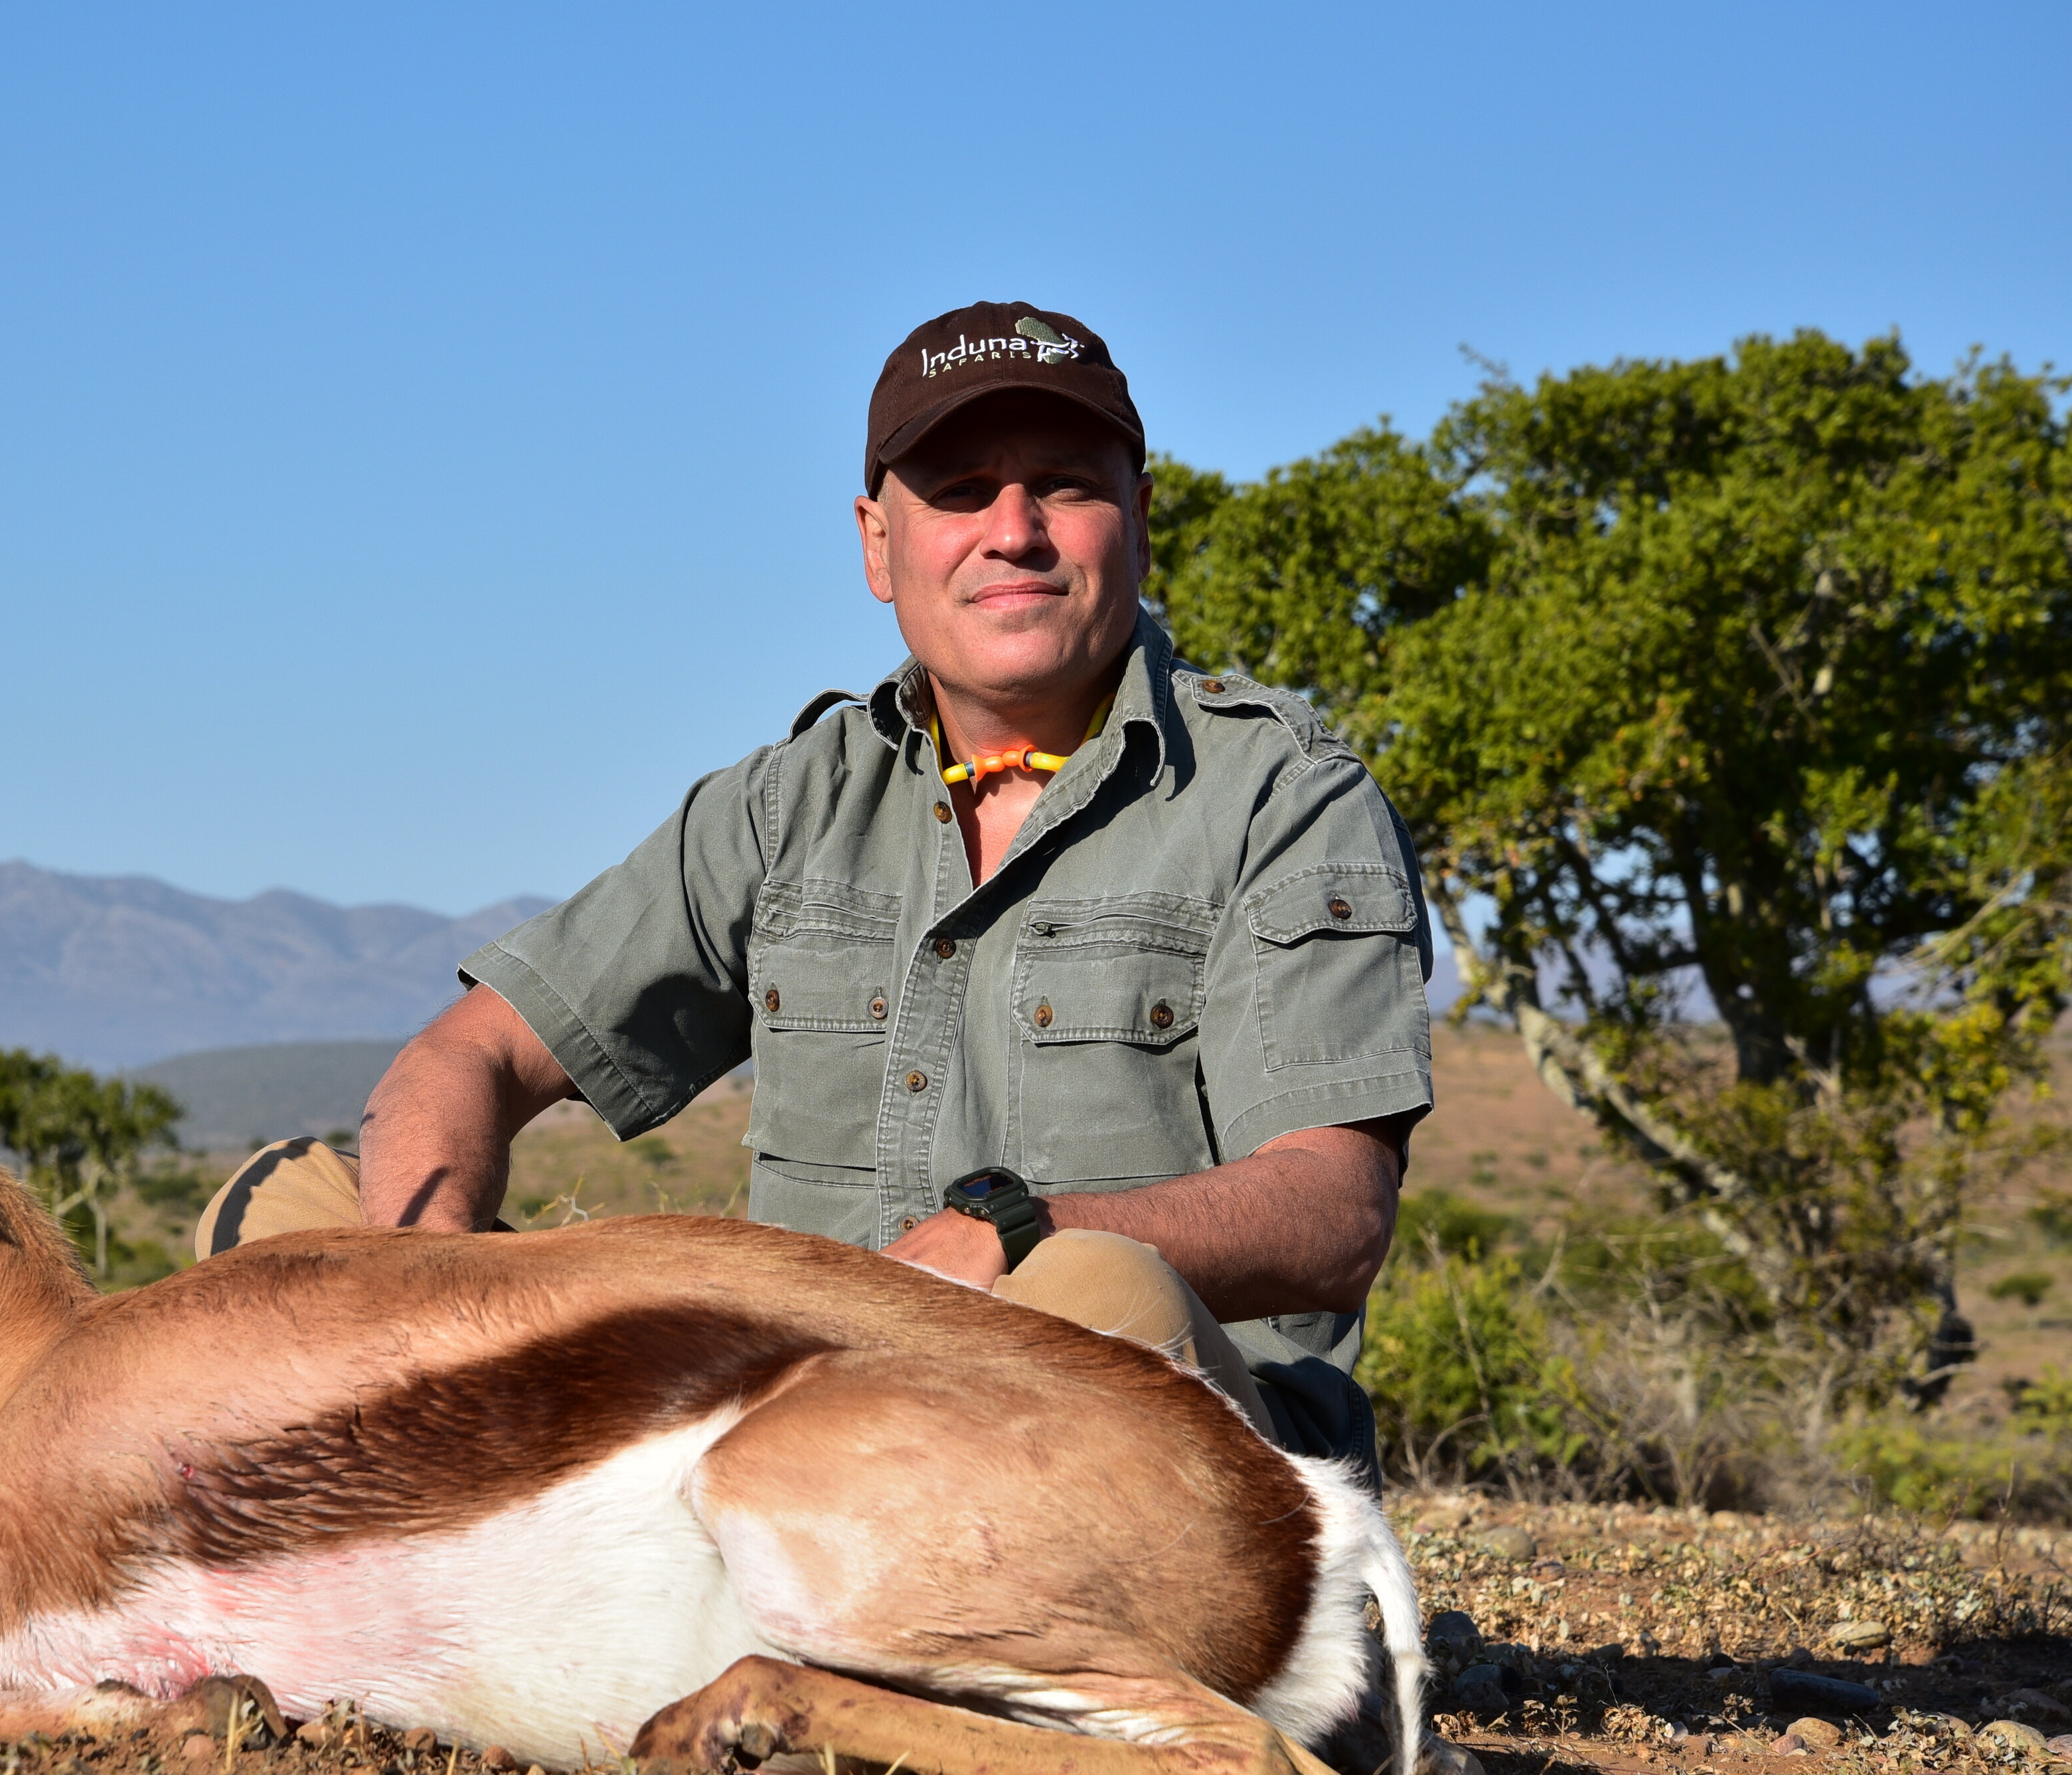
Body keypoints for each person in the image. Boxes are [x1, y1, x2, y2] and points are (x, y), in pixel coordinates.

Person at [199, 301, 1434, 1477]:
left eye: (1063, 484)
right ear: (877, 545)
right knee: (296, 1209)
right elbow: (464, 1060)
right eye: (959, 492)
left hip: (1144, 1454)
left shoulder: (1283, 796)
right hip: (793, 1423)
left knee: (1096, 1295)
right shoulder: (791, 802)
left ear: (1139, 520)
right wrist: (433, 1290)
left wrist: (1023, 1236)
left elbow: (1336, 1210)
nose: (1015, 529)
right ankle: (582, 1581)